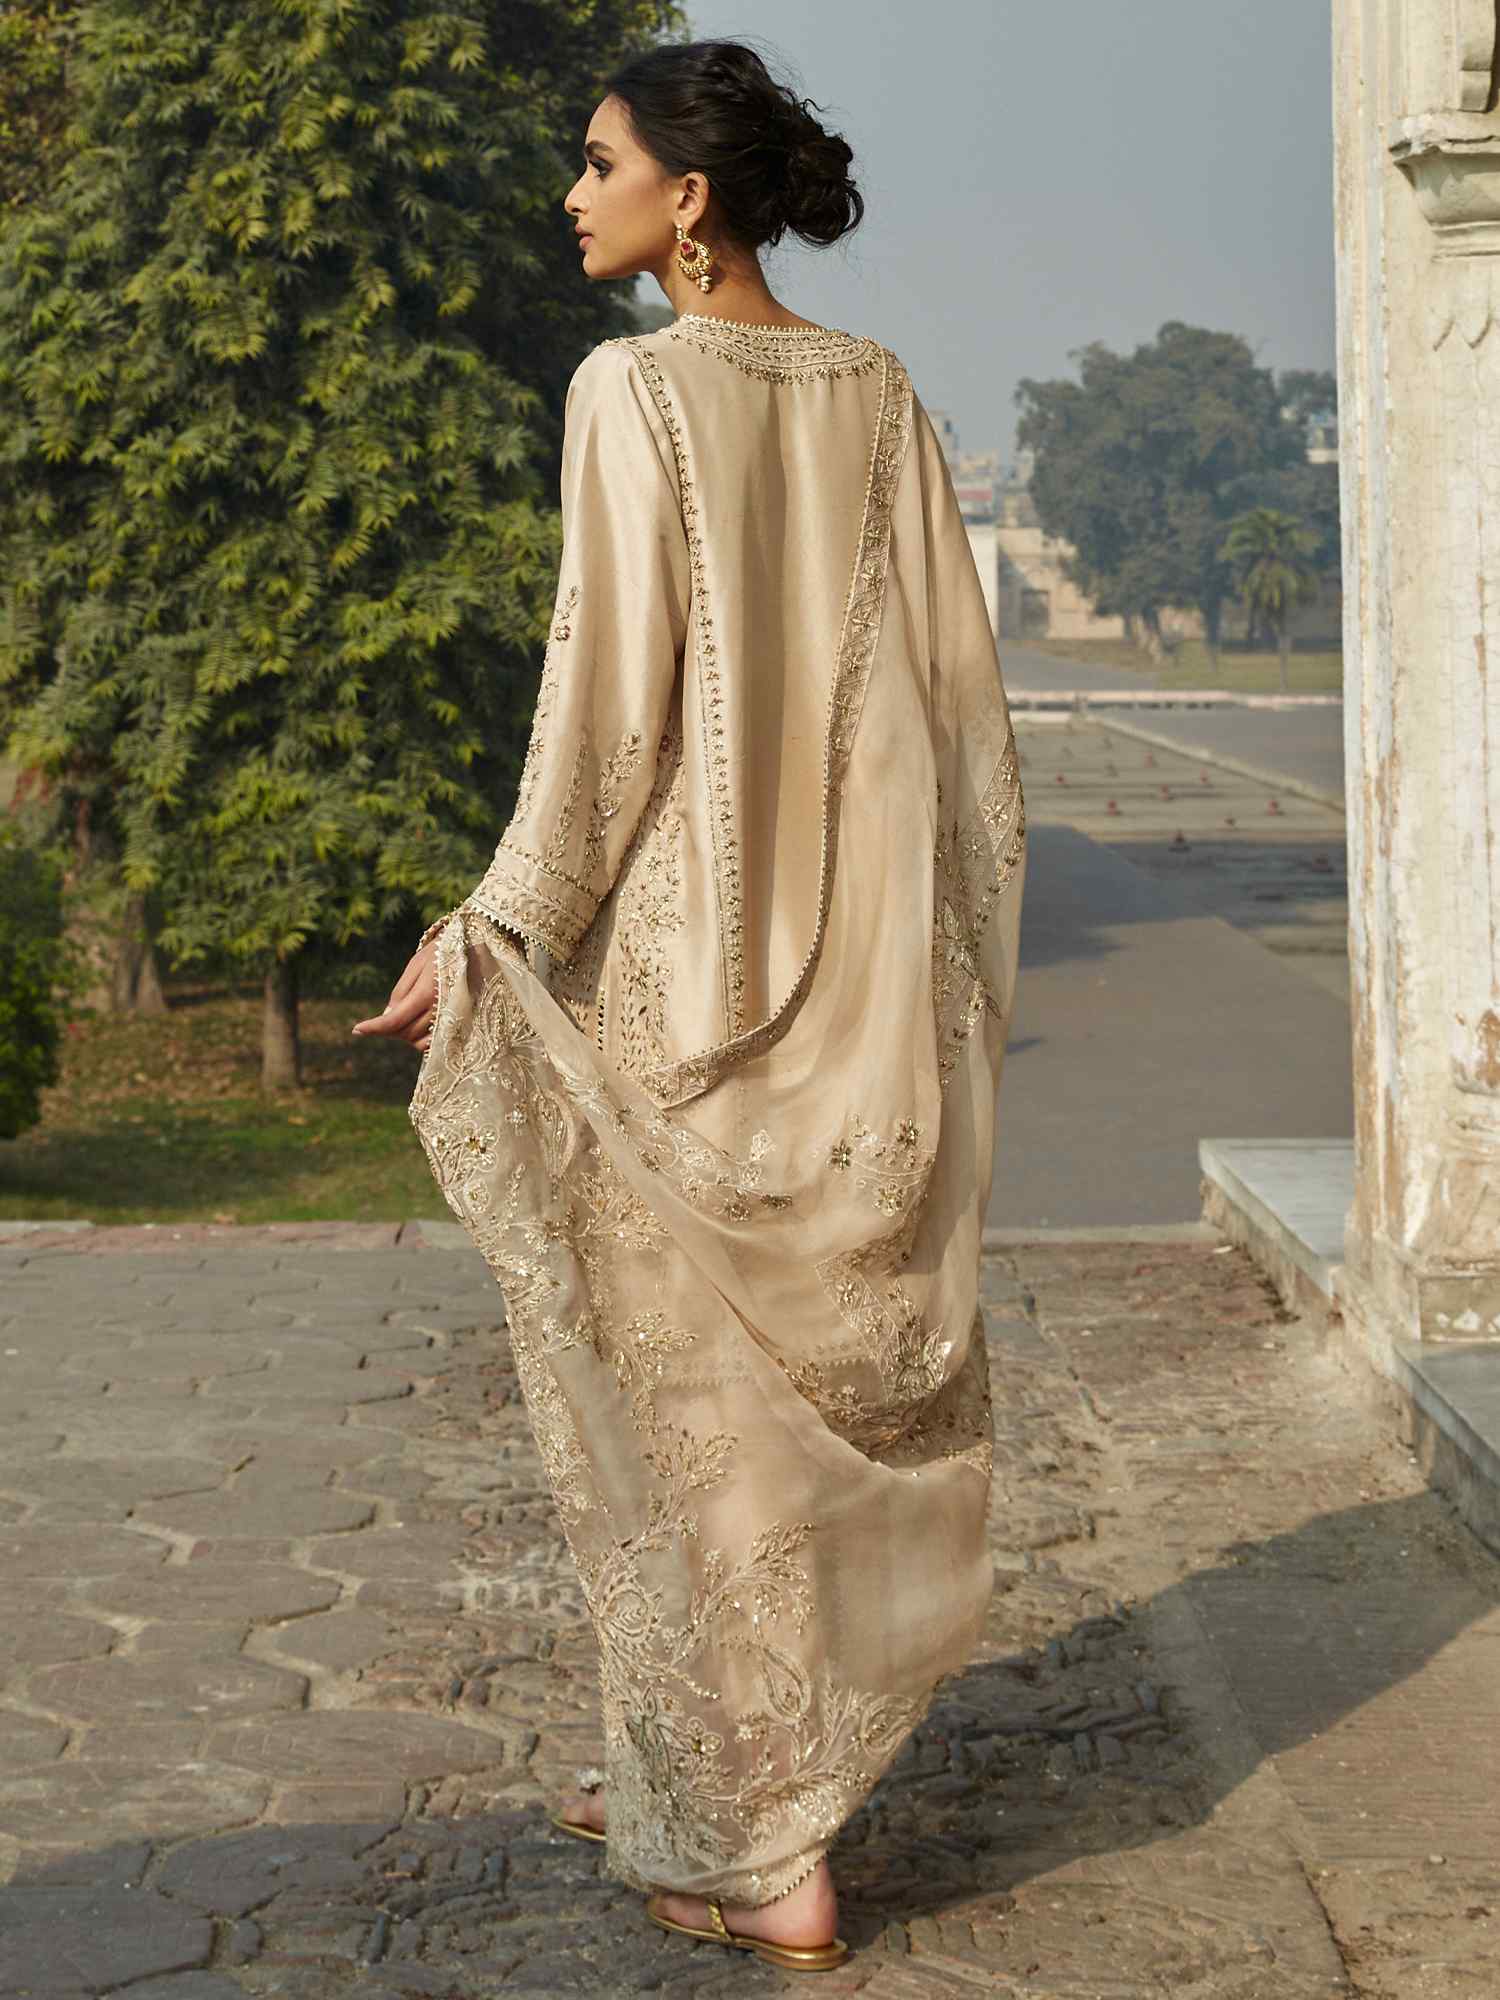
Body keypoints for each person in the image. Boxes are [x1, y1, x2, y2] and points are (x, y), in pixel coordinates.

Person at [351, 37, 1026, 1974]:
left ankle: (764, 1856)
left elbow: (604, 713)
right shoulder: (881, 394)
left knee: (698, 1424)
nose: (575, 193)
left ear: (689, 198)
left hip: (682, 983)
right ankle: (707, 1776)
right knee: (779, 1412)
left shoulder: (630, 389)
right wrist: (944, 968)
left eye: (599, 161)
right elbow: (964, 727)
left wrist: (492, 924)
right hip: (866, 996)